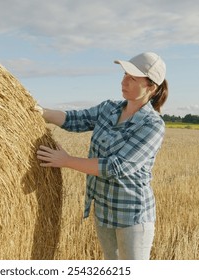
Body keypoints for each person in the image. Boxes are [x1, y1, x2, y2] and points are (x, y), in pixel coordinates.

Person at [35, 52, 168, 260]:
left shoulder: (152, 125)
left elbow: (116, 167)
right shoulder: (109, 108)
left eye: (133, 78)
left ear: (151, 87)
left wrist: (66, 160)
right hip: (103, 211)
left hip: (131, 215)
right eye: (125, 74)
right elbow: (74, 119)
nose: (124, 81)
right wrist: (41, 112)